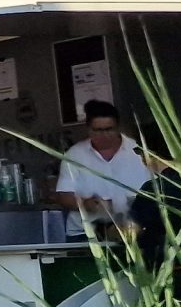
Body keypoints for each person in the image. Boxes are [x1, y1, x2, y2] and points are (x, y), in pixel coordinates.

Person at [56, 99, 153, 240]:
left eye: (109, 129)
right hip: (86, 232)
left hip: (133, 230)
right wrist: (84, 204)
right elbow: (64, 196)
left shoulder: (138, 151)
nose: (104, 135)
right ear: (88, 129)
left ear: (118, 127)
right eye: (97, 130)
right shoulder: (74, 155)